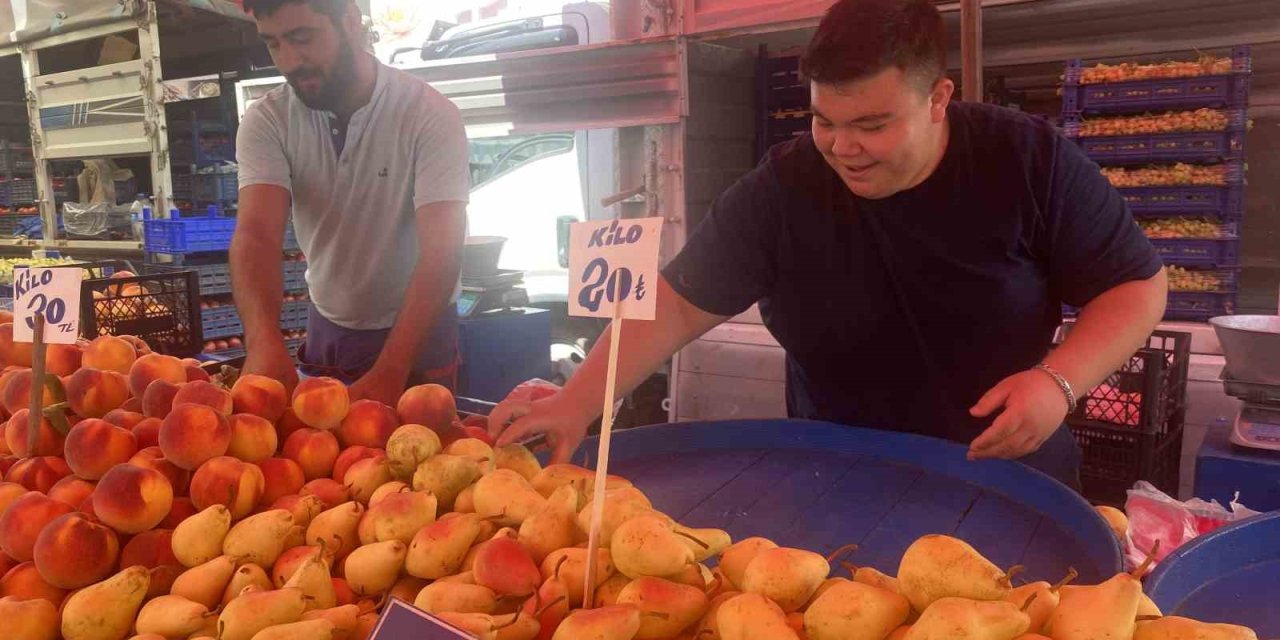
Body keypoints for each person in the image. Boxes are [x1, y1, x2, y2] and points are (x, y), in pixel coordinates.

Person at [489, 0, 1169, 488]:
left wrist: (1059, 381)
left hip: (1003, 472)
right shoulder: (784, 188)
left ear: (938, 99)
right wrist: (578, 401)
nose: (844, 148)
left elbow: (1137, 287)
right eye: (824, 120)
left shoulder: (1028, 161)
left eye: (872, 124)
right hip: (839, 474)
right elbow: (672, 306)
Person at [232, 0, 470, 405]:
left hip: (420, 329)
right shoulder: (267, 120)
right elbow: (256, 235)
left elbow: (442, 251)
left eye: (302, 38)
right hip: (331, 326)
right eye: (273, 44)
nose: (289, 61)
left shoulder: (430, 115)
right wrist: (262, 340)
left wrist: (393, 367)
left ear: (351, 22)